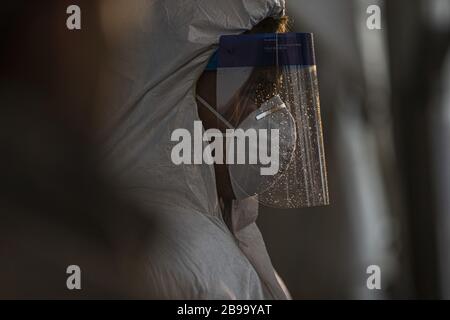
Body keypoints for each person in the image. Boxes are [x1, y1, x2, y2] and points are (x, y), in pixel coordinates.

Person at [99, 0, 290, 299]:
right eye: (250, 89)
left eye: (266, 92)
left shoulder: (216, 246)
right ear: (178, 89)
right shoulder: (181, 261)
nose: (261, 111)